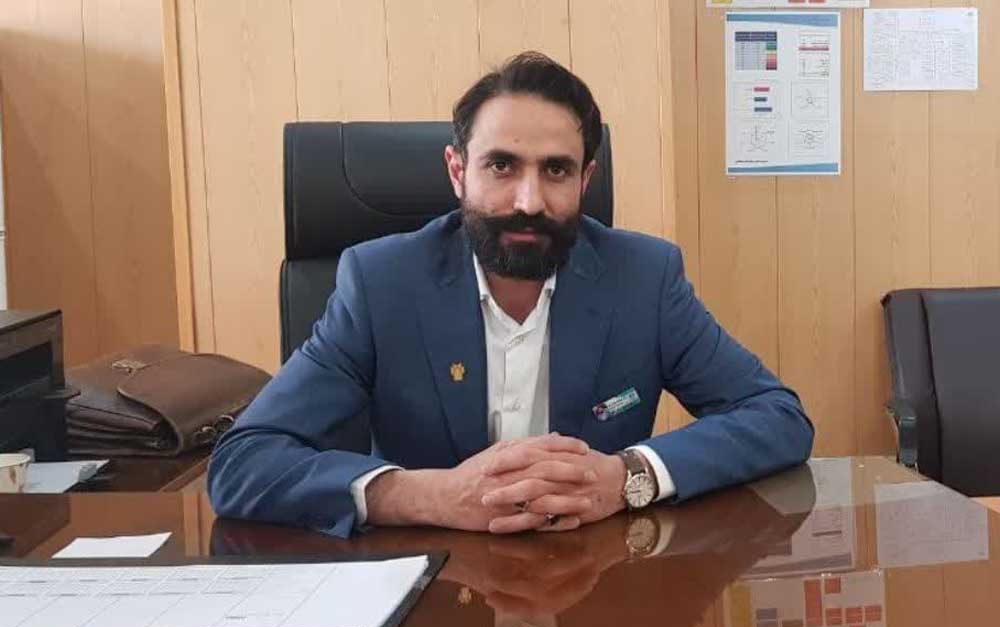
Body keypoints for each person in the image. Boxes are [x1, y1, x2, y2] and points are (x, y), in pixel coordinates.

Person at [208, 52, 814, 538]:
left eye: (556, 170)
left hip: (597, 594)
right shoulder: (380, 282)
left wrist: (628, 477)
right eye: (501, 166)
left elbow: (776, 417)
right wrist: (431, 495)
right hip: (435, 596)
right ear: (457, 171)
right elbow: (243, 463)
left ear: (586, 179)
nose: (529, 201)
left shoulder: (644, 278)